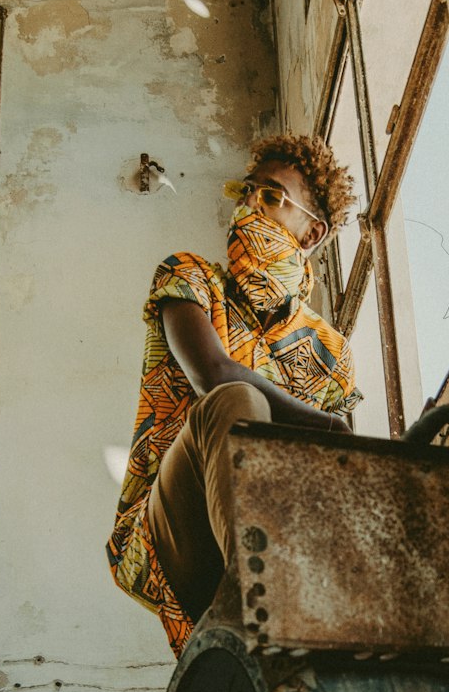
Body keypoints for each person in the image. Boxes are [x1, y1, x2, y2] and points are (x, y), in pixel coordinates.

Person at [106, 133, 361, 658]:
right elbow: (215, 375)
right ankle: (265, 614)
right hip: (180, 522)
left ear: (312, 232)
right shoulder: (190, 277)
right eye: (246, 191)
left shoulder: (329, 355)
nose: (248, 206)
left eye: (271, 197)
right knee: (234, 404)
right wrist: (325, 423)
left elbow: (337, 468)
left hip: (288, 530)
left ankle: (313, 612)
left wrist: (330, 432)